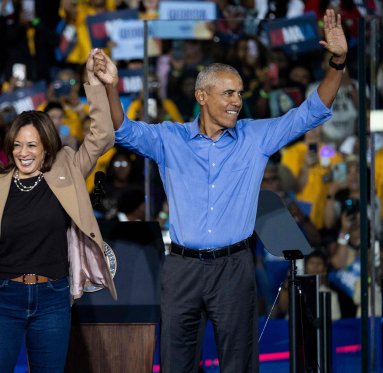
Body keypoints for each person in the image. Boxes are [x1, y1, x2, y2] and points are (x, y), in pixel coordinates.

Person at [100, 9, 347, 372]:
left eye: (240, 93)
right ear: (202, 95)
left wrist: (337, 62)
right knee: (176, 363)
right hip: (181, 268)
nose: (236, 100)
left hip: (234, 267)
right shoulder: (171, 139)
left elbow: (311, 112)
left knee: (238, 364)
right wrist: (111, 87)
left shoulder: (255, 137)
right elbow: (125, 131)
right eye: (228, 92)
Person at [0, 49, 117, 372]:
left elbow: (102, 135)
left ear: (46, 145)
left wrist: (93, 82)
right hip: (1, 299)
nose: (23, 152)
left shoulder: (68, 168)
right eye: (17, 144)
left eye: (31, 144)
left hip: (52, 298)